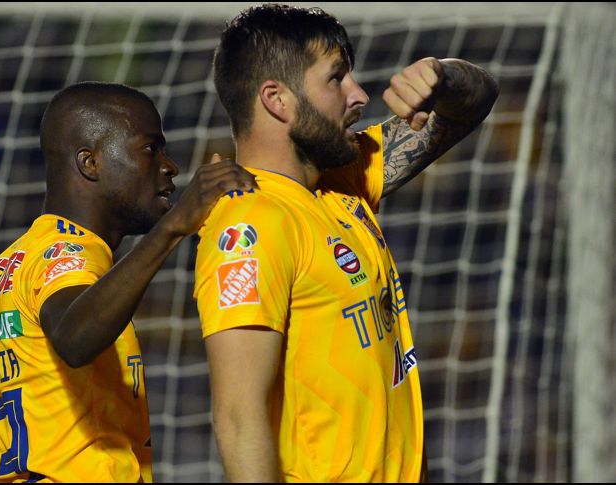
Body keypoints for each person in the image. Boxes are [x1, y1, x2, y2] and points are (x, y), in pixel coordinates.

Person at [193, 4, 498, 482]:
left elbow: (476, 101)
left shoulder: (341, 181)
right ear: (277, 99)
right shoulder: (251, 226)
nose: (358, 94)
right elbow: (238, 419)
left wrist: (441, 76)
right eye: (336, 78)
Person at [0, 81, 257, 482]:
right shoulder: (66, 252)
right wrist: (174, 226)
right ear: (90, 163)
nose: (170, 166)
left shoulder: (14, 261)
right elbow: (74, 337)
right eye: (150, 149)